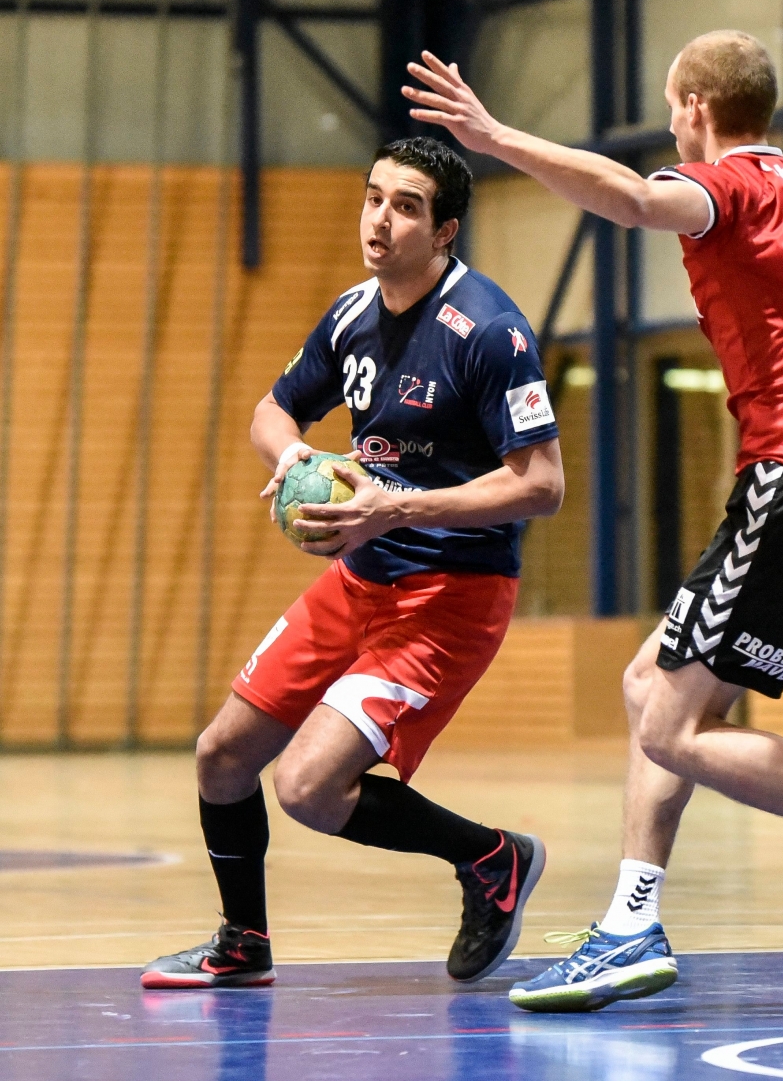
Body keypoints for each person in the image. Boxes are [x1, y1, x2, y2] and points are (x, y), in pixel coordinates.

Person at [403, 30, 783, 1013]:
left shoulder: (738, 189)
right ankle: (631, 923)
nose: (671, 123)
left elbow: (629, 201)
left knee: (670, 725)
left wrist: (496, 138)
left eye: (674, 107)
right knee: (649, 690)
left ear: (699, 107)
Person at [141, 137, 564, 989]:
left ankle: (492, 859)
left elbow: (543, 484)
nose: (379, 219)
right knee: (222, 755)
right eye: (374, 198)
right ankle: (243, 943)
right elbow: (271, 409)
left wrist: (394, 504)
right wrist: (294, 461)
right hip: (359, 580)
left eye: (405, 206)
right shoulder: (351, 315)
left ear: (445, 232)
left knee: (306, 786)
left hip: (450, 595)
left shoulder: (488, 330)